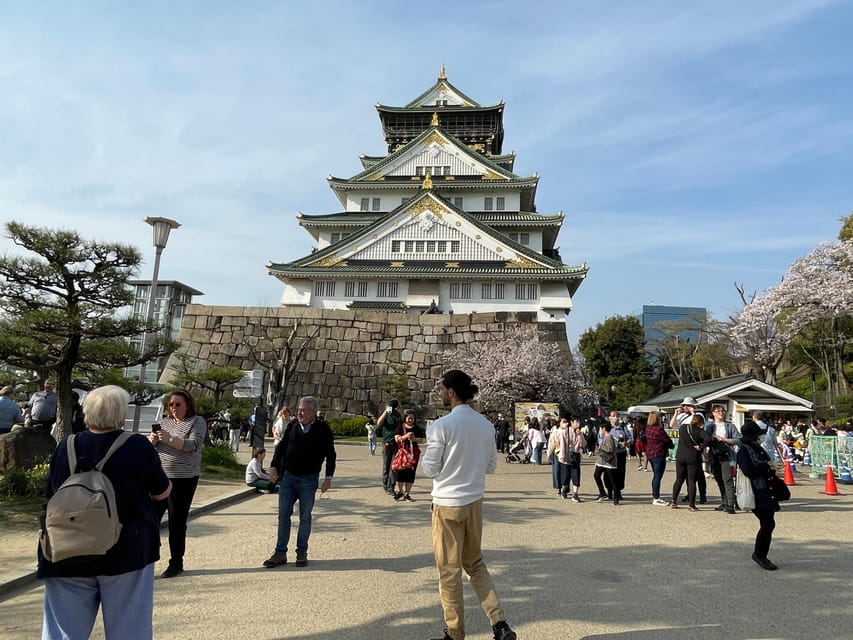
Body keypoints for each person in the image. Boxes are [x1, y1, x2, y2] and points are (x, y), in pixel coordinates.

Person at [38, 385, 171, 640]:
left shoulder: (67, 445)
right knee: (129, 628)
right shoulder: (136, 445)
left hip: (65, 548)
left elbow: (51, 492)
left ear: (86, 413)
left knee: (62, 632)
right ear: (121, 416)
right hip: (126, 549)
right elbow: (162, 491)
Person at [420, 370, 516, 640]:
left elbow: (430, 469)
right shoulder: (485, 425)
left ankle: (455, 632)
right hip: (474, 501)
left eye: (442, 389)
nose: (440, 393)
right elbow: (491, 466)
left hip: (447, 503)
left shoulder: (442, 426)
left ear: (451, 391)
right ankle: (499, 623)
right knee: (475, 564)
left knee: (449, 570)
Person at [263, 396, 336, 569]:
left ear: (313, 411)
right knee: (283, 515)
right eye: (299, 409)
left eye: (303, 410)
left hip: (308, 479)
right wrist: (274, 467)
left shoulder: (323, 429)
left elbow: (331, 454)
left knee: (304, 517)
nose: (299, 412)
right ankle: (280, 552)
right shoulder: (293, 426)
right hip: (288, 477)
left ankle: (301, 551)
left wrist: (328, 478)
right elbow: (281, 448)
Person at [149, 390, 206, 579]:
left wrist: (170, 439)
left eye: (178, 404)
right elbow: (155, 447)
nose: (174, 408)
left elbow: (193, 445)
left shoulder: (197, 422)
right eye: (171, 404)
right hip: (160, 476)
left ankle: (176, 562)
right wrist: (154, 441)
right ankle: (147, 559)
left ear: (187, 405)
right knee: (150, 518)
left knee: (177, 521)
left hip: (184, 478)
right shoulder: (165, 422)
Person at [738, 420, 781, 570]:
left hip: (766, 489)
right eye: (758, 435)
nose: (761, 437)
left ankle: (760, 554)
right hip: (757, 491)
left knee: (769, 523)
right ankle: (760, 555)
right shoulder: (744, 450)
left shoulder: (757, 448)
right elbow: (747, 470)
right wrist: (766, 466)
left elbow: (767, 464)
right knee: (768, 523)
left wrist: (771, 467)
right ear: (752, 436)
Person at [670, 414, 710, 511]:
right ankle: (691, 504)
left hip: (680, 456)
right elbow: (708, 439)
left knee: (679, 480)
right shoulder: (700, 431)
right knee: (691, 481)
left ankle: (674, 501)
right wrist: (701, 446)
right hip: (693, 457)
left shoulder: (683, 428)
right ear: (701, 422)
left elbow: (674, 425)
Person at [706, 404, 741, 514]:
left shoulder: (730, 426)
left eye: (722, 411)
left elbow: (738, 439)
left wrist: (725, 440)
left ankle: (731, 504)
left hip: (726, 455)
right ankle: (725, 501)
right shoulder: (710, 427)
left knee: (728, 479)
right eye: (718, 411)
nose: (720, 413)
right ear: (713, 413)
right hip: (714, 455)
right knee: (719, 479)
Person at [393, 409, 424, 501]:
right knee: (400, 472)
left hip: (413, 453)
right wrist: (405, 436)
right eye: (409, 418)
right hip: (402, 452)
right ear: (405, 418)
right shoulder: (400, 427)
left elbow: (422, 440)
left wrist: (414, 439)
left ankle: (407, 493)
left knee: (410, 473)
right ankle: (400, 491)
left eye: (413, 418)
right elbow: (396, 438)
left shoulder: (417, 428)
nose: (411, 420)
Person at [644, 411, 674, 505]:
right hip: (659, 454)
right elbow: (668, 440)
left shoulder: (648, 429)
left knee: (655, 476)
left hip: (651, 454)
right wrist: (671, 445)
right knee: (657, 476)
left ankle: (655, 495)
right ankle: (656, 497)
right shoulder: (659, 430)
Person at [378, 398, 403, 495]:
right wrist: (385, 412)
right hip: (386, 443)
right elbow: (379, 423)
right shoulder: (386, 415)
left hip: (396, 444)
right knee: (386, 465)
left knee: (394, 466)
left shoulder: (398, 416)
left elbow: (401, 426)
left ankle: (391, 486)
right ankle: (385, 483)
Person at [558, 418, 585, 502]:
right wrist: (562, 456)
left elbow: (583, 444)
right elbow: (562, 444)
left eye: (578, 421)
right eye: (576, 421)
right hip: (566, 456)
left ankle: (575, 494)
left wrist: (580, 435)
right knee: (566, 476)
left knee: (576, 475)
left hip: (575, 456)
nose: (577, 423)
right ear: (571, 422)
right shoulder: (565, 432)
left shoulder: (579, 432)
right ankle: (564, 488)